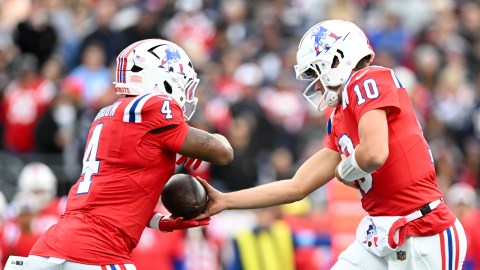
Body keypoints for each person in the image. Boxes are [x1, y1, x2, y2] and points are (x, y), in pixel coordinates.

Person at [196, 20, 467, 269]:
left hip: (424, 233)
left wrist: (343, 170)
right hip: (380, 235)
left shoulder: (367, 79)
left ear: (337, 60)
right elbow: (296, 186)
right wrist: (225, 200)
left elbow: (374, 153)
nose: (315, 85)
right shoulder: (339, 117)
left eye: (315, 71)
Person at [13, 39, 233, 270]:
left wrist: (158, 221)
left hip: (50, 248)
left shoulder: (107, 114)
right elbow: (224, 153)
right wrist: (216, 137)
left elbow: (109, 196)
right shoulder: (153, 106)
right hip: (98, 252)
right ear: (161, 79)